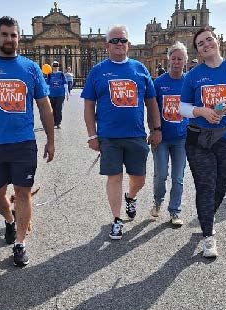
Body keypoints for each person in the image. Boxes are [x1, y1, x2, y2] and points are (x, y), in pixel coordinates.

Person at [0, 16, 55, 267]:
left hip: (23, 142)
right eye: (4, 35)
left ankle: (20, 243)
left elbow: (45, 106)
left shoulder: (30, 68)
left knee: (23, 193)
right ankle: (9, 218)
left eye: (13, 35)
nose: (9, 39)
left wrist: (51, 138)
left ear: (19, 37)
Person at [178, 26, 226, 257]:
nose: (206, 44)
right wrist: (201, 111)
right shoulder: (193, 75)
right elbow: (182, 107)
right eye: (200, 43)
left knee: (220, 186)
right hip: (199, 139)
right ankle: (208, 235)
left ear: (217, 41)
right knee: (206, 185)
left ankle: (206, 218)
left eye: (209, 39)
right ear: (198, 51)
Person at [82, 24, 162, 240]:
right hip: (109, 137)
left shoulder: (140, 69)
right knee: (114, 177)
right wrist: (92, 135)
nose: (119, 44)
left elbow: (151, 101)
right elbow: (89, 105)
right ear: (107, 45)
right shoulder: (98, 71)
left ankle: (131, 196)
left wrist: (156, 128)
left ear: (129, 44)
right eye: (115, 41)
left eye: (123, 40)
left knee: (140, 179)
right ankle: (116, 220)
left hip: (136, 135)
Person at [150, 41, 189, 227]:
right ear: (168, 60)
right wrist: (153, 131)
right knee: (161, 175)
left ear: (185, 61)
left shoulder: (189, 83)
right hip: (162, 137)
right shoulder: (158, 83)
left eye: (180, 58)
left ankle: (175, 211)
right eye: (173, 58)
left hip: (182, 138)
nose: (176, 62)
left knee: (178, 178)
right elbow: (151, 109)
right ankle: (158, 201)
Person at [46, 60, 69, 129]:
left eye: (57, 66)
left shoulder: (61, 74)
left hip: (60, 94)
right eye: (54, 66)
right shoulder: (49, 74)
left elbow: (65, 83)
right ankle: (54, 122)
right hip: (51, 94)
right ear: (52, 67)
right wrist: (46, 94)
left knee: (58, 108)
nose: (55, 67)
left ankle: (58, 122)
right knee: (52, 109)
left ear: (58, 67)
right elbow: (47, 84)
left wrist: (67, 93)